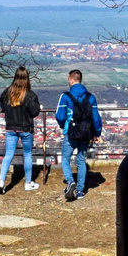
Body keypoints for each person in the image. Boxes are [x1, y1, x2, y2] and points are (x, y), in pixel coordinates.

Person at [55, 69, 103, 201]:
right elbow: (96, 118)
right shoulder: (91, 97)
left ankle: (70, 181)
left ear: (71, 79)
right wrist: (96, 132)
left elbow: (60, 116)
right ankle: (80, 191)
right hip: (86, 133)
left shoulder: (65, 96)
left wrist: (64, 126)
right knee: (81, 161)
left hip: (71, 132)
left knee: (65, 158)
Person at [0, 66, 42, 194]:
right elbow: (35, 111)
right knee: (27, 154)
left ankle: (1, 181)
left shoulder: (7, 92)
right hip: (26, 128)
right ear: (27, 78)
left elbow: (2, 104)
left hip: (10, 127)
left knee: (8, 155)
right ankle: (28, 183)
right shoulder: (29, 95)